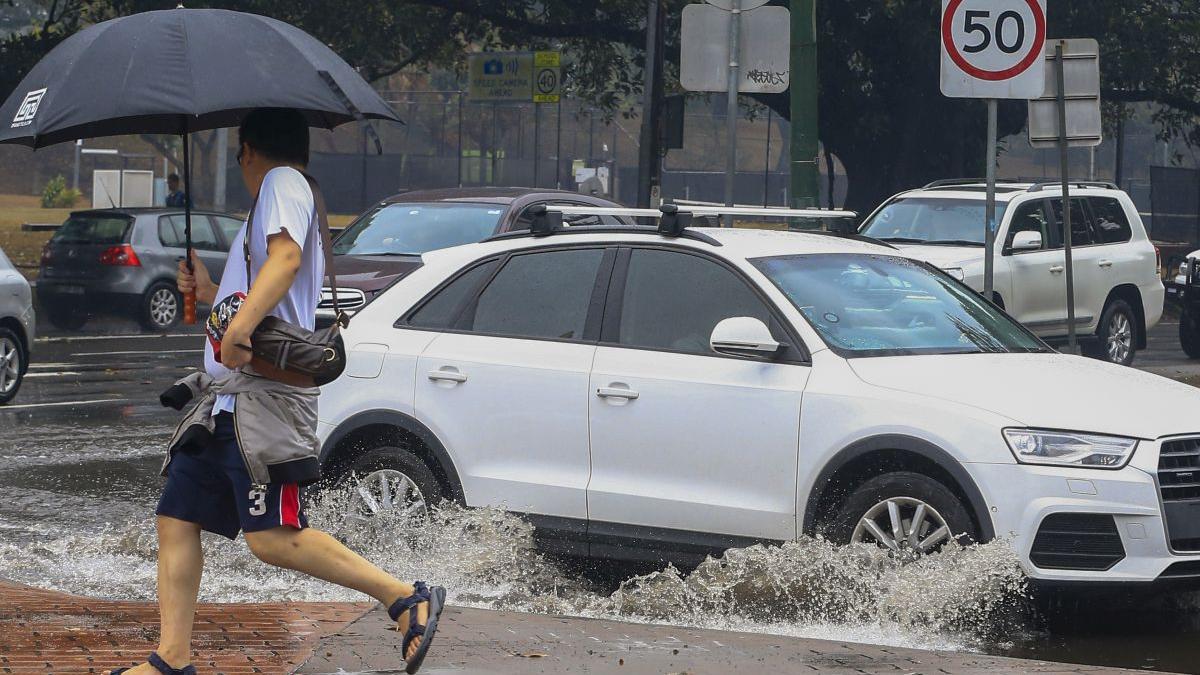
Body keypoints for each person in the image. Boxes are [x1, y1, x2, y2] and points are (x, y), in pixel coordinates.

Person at [111, 108, 444, 675]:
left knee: (272, 538)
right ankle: (171, 660)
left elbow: (286, 261)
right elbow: (261, 293)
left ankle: (404, 599)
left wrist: (237, 327)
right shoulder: (270, 199)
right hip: (225, 405)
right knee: (177, 517)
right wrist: (215, 292)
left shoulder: (282, 183)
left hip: (262, 405)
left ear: (246, 151)